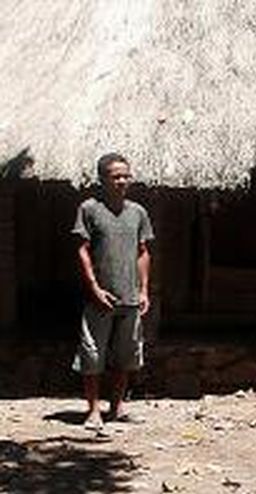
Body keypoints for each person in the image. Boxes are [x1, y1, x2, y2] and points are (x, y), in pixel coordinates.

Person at [71, 153, 154, 430]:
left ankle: (117, 407)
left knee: (126, 354)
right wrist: (94, 288)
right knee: (93, 354)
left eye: (126, 176)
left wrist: (144, 290)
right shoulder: (90, 209)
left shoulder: (138, 212)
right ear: (102, 179)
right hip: (100, 298)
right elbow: (82, 250)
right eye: (116, 176)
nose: (122, 181)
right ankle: (93, 410)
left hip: (130, 298)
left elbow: (143, 252)